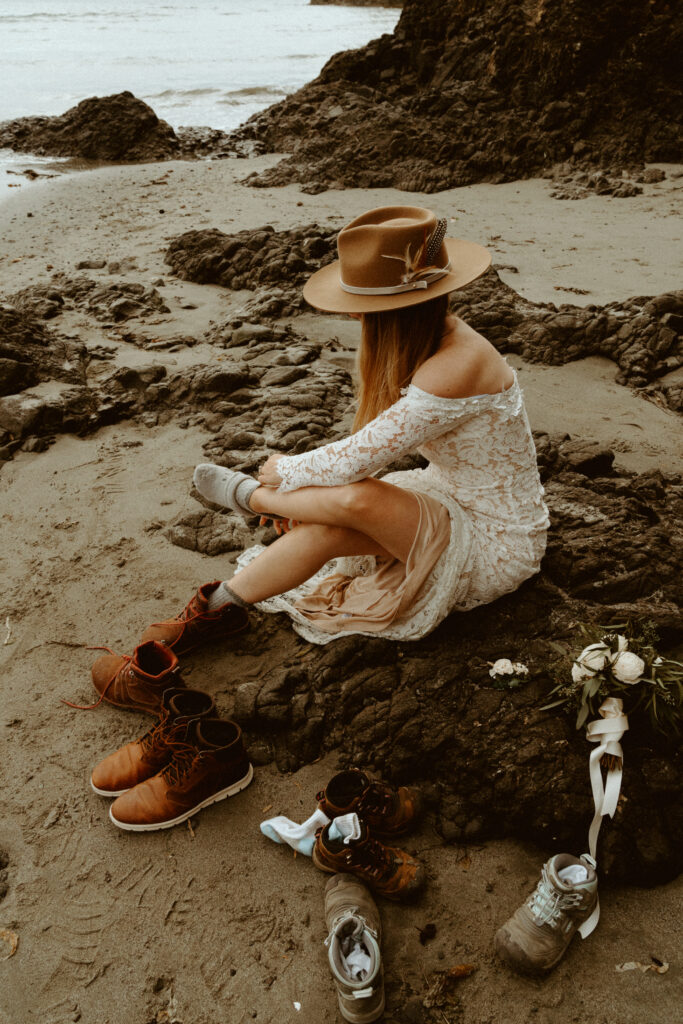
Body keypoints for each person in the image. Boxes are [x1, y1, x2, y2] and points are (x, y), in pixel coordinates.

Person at [143, 206, 549, 652]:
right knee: (328, 529)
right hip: (447, 500)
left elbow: (356, 460)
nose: (356, 318)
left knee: (358, 496)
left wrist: (283, 474)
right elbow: (366, 451)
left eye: (361, 310)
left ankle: (252, 499)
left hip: (494, 541)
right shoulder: (431, 338)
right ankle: (213, 611)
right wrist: (315, 501)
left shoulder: (456, 364)